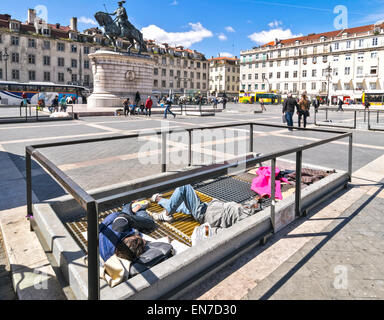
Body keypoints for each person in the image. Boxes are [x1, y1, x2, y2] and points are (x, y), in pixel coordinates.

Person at [150, 185, 263, 233]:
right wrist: (258, 199)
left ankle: (166, 214)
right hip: (208, 206)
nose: (256, 206)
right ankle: (159, 200)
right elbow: (251, 205)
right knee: (181, 206)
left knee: (184, 187)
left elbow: (227, 233)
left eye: (257, 207)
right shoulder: (249, 210)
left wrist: (207, 230)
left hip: (205, 214)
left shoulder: (246, 220)